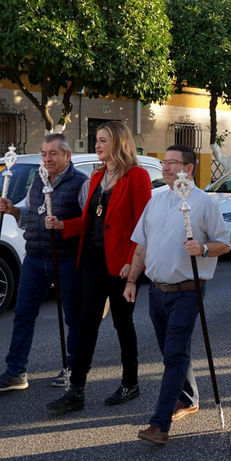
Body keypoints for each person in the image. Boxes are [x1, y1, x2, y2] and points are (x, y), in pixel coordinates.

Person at [127, 145, 230, 445]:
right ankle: (188, 398)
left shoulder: (204, 203)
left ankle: (159, 425)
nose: (167, 167)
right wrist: (131, 279)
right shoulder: (155, 201)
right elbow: (141, 245)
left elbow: (224, 243)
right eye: (164, 162)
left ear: (189, 168)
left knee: (173, 355)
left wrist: (204, 248)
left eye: (173, 163)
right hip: (157, 291)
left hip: (187, 290)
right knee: (173, 351)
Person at [47, 123, 152, 412]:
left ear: (118, 143)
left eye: (103, 140)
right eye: (97, 140)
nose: (97, 145)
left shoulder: (137, 176)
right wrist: (64, 225)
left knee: (122, 323)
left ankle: (130, 382)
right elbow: (91, 220)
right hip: (91, 261)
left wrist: (133, 264)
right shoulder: (96, 176)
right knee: (86, 323)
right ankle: (76, 390)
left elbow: (143, 226)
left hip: (120, 264)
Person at [0, 134, 88, 392]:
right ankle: (15, 371)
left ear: (68, 156)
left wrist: (64, 226)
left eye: (53, 153)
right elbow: (33, 215)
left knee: (73, 317)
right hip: (34, 257)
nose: (47, 158)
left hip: (66, 258)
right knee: (23, 315)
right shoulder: (38, 181)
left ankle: (74, 369)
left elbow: (90, 224)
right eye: (44, 153)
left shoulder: (81, 183)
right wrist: (13, 210)